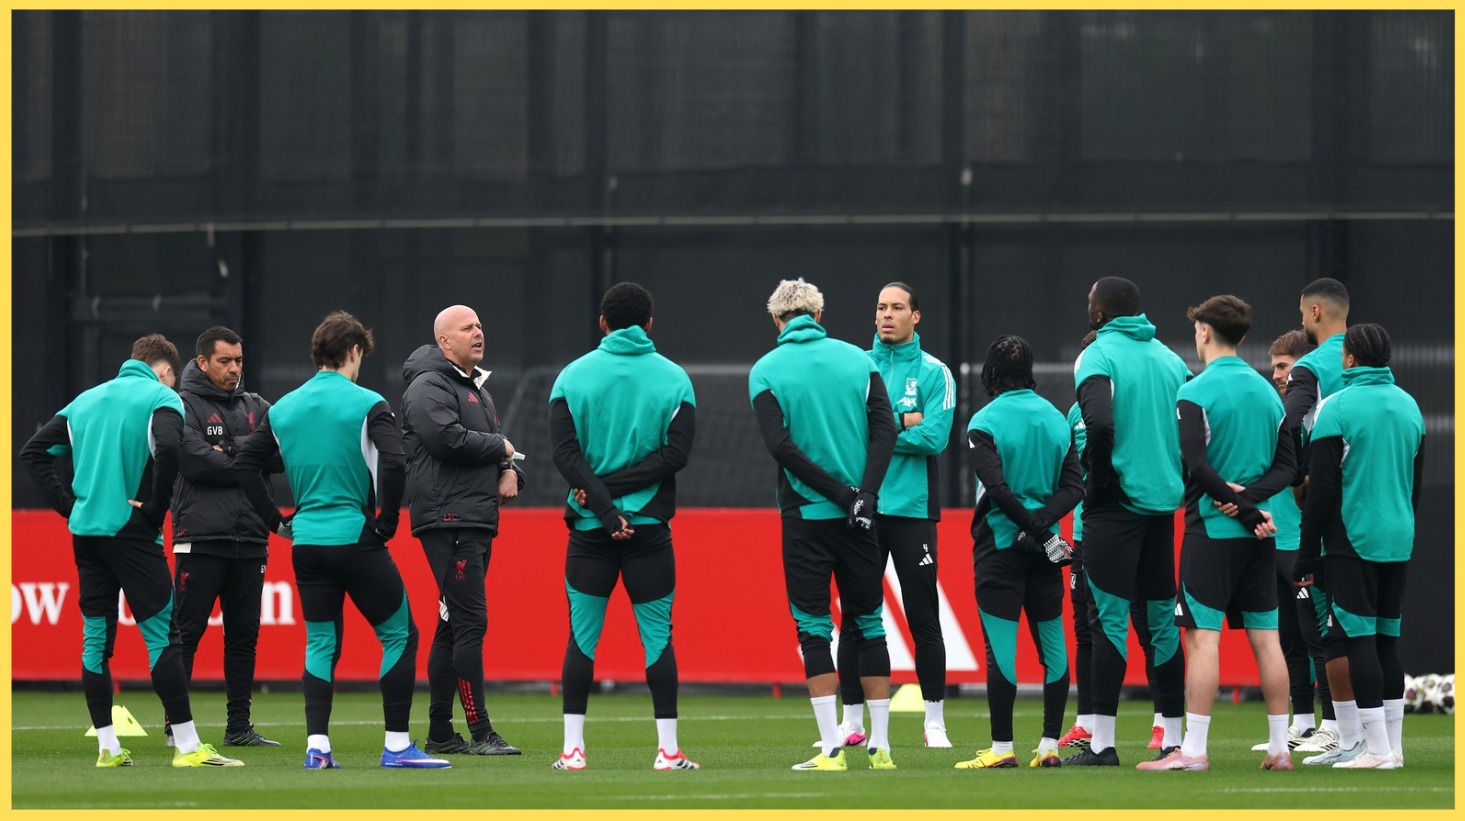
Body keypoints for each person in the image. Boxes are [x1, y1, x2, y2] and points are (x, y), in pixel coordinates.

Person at [234, 311, 448, 770]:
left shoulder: (283, 408)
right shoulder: (368, 402)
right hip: (355, 536)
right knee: (400, 635)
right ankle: (396, 747)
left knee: (320, 642)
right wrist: (388, 521)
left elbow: (243, 466)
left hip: (306, 542)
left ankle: (318, 749)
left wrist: (275, 521)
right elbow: (394, 462)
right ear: (354, 352)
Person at [20, 334, 243, 767]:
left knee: (96, 642)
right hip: (132, 534)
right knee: (164, 637)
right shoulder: (161, 397)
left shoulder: (84, 400)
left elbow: (34, 454)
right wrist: (156, 508)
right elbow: (170, 448)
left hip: (86, 535)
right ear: (164, 371)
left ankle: (108, 748)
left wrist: (70, 506)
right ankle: (186, 746)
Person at [1139, 295, 1295, 771]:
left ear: (1204, 332)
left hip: (1213, 533)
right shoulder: (1269, 392)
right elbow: (1288, 467)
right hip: (1261, 536)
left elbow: (1195, 465)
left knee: (1202, 639)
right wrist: (1252, 506)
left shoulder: (1195, 391)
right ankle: (1279, 749)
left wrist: (1240, 508)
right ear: (1243, 336)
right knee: (1268, 640)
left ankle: (1193, 752)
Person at [548, 282, 699, 772]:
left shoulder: (571, 377)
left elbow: (565, 457)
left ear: (603, 323)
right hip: (649, 531)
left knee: (581, 640)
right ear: (649, 323)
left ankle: (573, 751)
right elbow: (675, 456)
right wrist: (621, 503)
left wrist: (604, 503)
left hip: (591, 531)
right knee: (658, 640)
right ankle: (668, 751)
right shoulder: (675, 379)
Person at [749, 278, 898, 772]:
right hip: (860, 518)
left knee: (814, 629)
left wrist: (837, 493)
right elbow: (886, 431)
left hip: (807, 517)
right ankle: (881, 748)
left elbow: (781, 448)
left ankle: (832, 749)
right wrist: (865, 496)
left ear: (777, 320)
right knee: (870, 625)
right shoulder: (861, 360)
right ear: (818, 312)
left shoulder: (766, 370)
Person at [1065, 276, 1190, 767]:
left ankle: (1102, 744)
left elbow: (1098, 421)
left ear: (1099, 312)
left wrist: (1097, 482)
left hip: (1115, 506)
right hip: (1161, 505)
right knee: (1161, 624)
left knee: (1107, 625)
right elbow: (1190, 426)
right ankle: (1175, 738)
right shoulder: (1171, 359)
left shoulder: (1096, 354)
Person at [829, 282, 955, 749]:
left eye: (897, 307)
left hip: (913, 513)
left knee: (924, 618)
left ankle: (935, 722)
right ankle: (852, 721)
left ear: (915, 316)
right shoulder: (857, 367)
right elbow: (845, 433)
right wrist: (903, 420)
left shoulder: (936, 372)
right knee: (858, 616)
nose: (887, 315)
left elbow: (935, 438)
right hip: (864, 507)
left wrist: (878, 430)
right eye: (880, 307)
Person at [1294, 323, 1422, 770]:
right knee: (1387, 642)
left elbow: (1322, 491)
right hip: (1398, 538)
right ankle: (1392, 748)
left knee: (1358, 641)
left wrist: (1307, 553)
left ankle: (1377, 750)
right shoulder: (1409, 407)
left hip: (1352, 540)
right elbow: (1415, 484)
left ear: (1348, 359)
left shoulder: (1337, 408)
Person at [400, 305, 524, 756]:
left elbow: (498, 453)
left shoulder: (476, 390)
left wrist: (510, 467)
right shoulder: (428, 385)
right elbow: (446, 439)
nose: (478, 332)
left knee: (450, 626)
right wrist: (502, 449)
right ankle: (481, 732)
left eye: (479, 324)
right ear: (444, 342)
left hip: (472, 517)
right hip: (449, 519)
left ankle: (439, 733)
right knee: (471, 622)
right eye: (467, 328)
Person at [956, 335, 1082, 769]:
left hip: (1000, 549)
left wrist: (1031, 529)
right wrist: (1045, 529)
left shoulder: (983, 422)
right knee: (1054, 649)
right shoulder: (1056, 420)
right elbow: (1074, 488)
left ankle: (1002, 748)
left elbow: (997, 490)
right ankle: (1049, 745)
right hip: (1047, 551)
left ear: (992, 372)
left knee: (1001, 651)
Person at [168, 326, 282, 748]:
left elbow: (282, 453)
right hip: (201, 537)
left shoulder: (256, 405)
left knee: (243, 637)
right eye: (224, 361)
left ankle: (239, 727)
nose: (234, 369)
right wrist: (251, 456)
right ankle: (176, 727)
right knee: (187, 633)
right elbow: (195, 462)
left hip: (251, 538)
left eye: (238, 361)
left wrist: (231, 450)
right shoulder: (181, 404)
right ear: (202, 362)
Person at [1248, 329, 1337, 755]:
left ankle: (1335, 723)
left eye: (1283, 366)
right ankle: (1303, 723)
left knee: (1318, 634)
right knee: (1287, 636)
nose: (1276, 374)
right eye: (1275, 366)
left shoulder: (1312, 415)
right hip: (1274, 540)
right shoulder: (1278, 410)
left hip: (1304, 540)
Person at [1284, 277, 1356, 765]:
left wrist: (1298, 478)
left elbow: (1290, 424)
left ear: (1313, 312)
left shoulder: (1309, 368)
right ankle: (1371, 736)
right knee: (1368, 627)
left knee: (1330, 626)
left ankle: (1338, 730)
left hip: (1329, 513)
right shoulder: (1372, 364)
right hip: (1374, 508)